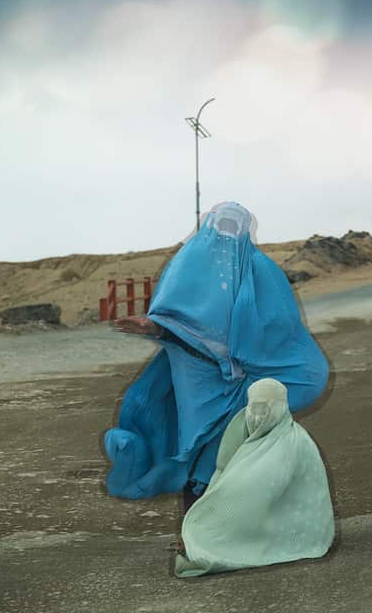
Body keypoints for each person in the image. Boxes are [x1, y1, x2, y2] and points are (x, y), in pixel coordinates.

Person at [103, 202, 329, 515]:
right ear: (210, 227)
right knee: (195, 446)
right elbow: (173, 316)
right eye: (221, 226)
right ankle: (196, 531)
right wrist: (153, 326)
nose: (226, 236)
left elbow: (281, 327)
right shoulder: (190, 263)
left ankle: (217, 527)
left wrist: (250, 356)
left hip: (244, 382)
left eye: (233, 228)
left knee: (225, 447)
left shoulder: (261, 271)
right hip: (196, 379)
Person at [172, 377, 334, 577]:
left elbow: (258, 487)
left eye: (266, 409)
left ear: (281, 408)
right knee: (204, 528)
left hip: (295, 527)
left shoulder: (293, 442)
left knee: (209, 535)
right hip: (261, 514)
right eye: (254, 409)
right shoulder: (241, 429)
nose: (258, 417)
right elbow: (223, 471)